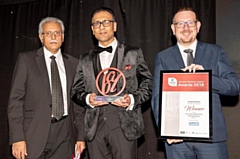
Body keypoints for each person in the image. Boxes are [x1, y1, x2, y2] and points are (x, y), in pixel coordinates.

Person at [151, 7, 240, 159]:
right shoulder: (163, 57)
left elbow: (234, 86)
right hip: (177, 141)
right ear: (173, 29)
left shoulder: (216, 52)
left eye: (190, 23)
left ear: (198, 26)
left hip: (212, 139)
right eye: (180, 24)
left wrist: (206, 78)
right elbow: (157, 97)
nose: (185, 28)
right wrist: (166, 130)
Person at [71, 7, 152, 159]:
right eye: (97, 24)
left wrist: (132, 99)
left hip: (124, 125)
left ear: (114, 26)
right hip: (95, 127)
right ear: (92, 29)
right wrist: (89, 99)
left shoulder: (133, 53)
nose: (101, 27)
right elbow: (75, 91)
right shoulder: (85, 59)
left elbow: (148, 84)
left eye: (106, 22)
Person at [8, 17, 85, 159]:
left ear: (63, 37)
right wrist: (17, 137)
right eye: (48, 33)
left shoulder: (74, 64)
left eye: (57, 33)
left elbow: (78, 105)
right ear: (41, 37)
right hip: (33, 133)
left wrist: (81, 136)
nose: (53, 37)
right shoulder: (26, 60)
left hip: (65, 134)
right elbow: (15, 102)